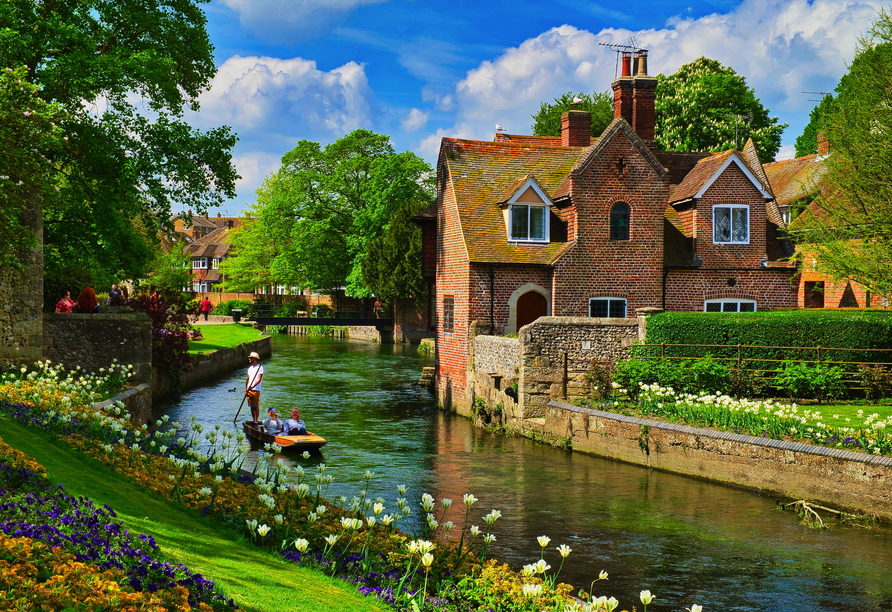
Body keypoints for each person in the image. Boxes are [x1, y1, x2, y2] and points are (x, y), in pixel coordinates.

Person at [244, 352, 264, 423]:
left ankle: (256, 421)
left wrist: (253, 386)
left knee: (255, 406)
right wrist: (246, 389)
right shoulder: (250, 368)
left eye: (250, 358)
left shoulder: (260, 367)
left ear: (254, 359)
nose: (249, 359)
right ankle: (253, 420)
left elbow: (259, 379)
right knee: (251, 406)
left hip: (256, 389)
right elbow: (248, 379)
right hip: (249, 389)